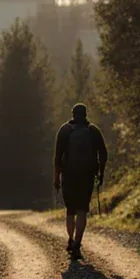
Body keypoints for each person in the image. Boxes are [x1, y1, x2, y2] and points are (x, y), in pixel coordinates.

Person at [53, 103, 108, 260]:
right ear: (85, 114)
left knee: (70, 210)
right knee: (82, 209)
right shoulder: (93, 131)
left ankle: (70, 239)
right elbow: (103, 154)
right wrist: (101, 174)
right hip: (87, 175)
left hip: (69, 175)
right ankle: (77, 243)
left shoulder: (64, 131)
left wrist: (56, 178)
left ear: (72, 114)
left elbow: (57, 157)